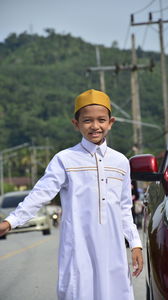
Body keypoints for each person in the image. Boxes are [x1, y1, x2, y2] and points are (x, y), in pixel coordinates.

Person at [0, 89, 143, 300]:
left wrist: (135, 244)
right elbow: (41, 194)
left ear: (111, 122)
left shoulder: (121, 162)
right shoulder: (65, 159)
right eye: (87, 120)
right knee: (78, 292)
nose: (95, 126)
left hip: (113, 249)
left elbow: (124, 208)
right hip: (78, 247)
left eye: (101, 120)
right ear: (76, 124)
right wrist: (10, 222)